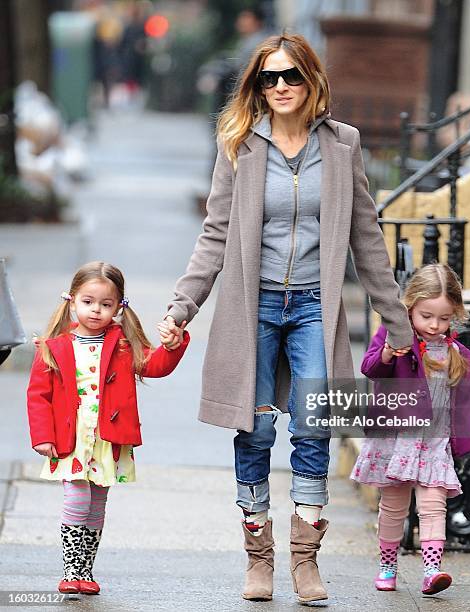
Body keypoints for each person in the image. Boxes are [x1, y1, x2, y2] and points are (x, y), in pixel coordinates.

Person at [160, 33, 414, 603]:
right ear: (257, 85)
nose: (279, 86)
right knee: (255, 430)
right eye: (268, 78)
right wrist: (182, 307)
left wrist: (396, 321)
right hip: (253, 308)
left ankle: (305, 562)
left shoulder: (344, 146)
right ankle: (258, 558)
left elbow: (367, 238)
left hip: (314, 311)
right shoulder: (240, 146)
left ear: (312, 81)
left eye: (291, 76)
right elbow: (215, 234)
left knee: (313, 427)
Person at [26, 261, 188, 595]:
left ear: (118, 306)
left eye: (106, 304)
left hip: (107, 439)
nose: (96, 310)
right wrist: (42, 436)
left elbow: (155, 366)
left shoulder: (125, 346)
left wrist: (175, 346)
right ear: (72, 301)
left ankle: (86, 571)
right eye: (88, 302)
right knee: (77, 494)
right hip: (71, 438)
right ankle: (71, 570)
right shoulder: (53, 346)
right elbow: (38, 395)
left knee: (97, 501)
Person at [351, 263, 470, 596]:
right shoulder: (393, 337)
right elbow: (370, 368)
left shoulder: (454, 351)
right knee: (394, 507)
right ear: (410, 307)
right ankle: (387, 565)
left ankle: (432, 570)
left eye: (444, 318)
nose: (435, 325)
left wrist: (469, 420)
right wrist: (386, 353)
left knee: (433, 504)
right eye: (427, 316)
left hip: (433, 441)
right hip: (396, 438)